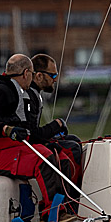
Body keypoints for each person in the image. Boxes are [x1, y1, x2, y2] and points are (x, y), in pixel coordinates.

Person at [0, 54, 78, 222]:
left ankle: (65, 208)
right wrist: (6, 129)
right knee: (44, 158)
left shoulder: (14, 89)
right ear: (26, 73)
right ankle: (51, 214)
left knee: (62, 158)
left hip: (9, 147)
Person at [28, 53, 84, 185]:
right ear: (39, 76)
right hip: (28, 145)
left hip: (34, 141)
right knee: (72, 148)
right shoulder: (29, 96)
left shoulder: (35, 94)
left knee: (74, 140)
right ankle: (73, 195)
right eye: (53, 75)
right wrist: (56, 125)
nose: (55, 79)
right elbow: (32, 134)